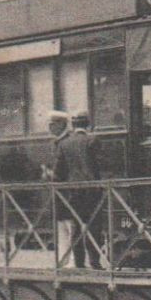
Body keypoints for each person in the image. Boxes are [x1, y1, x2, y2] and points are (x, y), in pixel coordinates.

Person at [52, 111, 103, 267]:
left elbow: (58, 172)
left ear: (73, 126)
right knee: (94, 227)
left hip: (73, 193)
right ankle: (95, 262)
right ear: (87, 124)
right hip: (92, 191)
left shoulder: (64, 144)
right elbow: (100, 165)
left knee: (76, 228)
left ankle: (79, 263)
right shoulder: (93, 140)